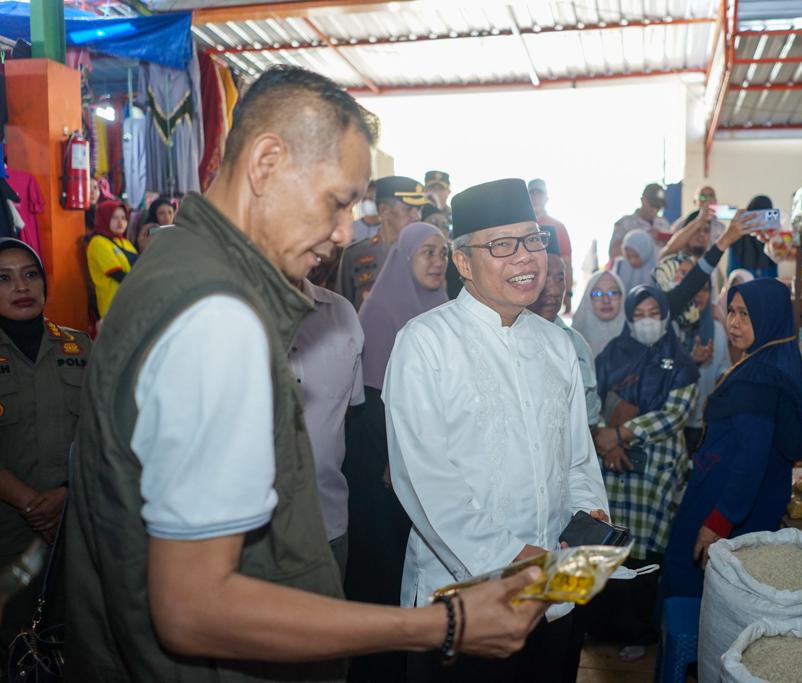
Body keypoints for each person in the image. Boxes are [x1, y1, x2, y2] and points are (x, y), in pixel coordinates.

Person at [63, 66, 546, 681]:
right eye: (338, 201)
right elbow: (194, 606)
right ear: (267, 162)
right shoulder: (217, 314)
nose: (345, 232)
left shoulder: (177, 267)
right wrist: (442, 624)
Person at [385, 178, 609, 682]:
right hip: (463, 603)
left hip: (554, 596)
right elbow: (425, 484)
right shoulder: (425, 344)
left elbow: (576, 459)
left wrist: (589, 523)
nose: (527, 258)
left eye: (534, 240)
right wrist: (512, 559)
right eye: (503, 245)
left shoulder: (556, 345)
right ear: (463, 262)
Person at [662, 278, 802, 599]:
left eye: (746, 314)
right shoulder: (765, 361)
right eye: (731, 311)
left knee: (693, 583)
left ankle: (691, 649)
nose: (734, 322)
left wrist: (719, 520)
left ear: (768, 316)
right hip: (741, 497)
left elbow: (751, 458)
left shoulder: (757, 380)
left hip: (729, 501)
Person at [345, 222, 449, 683]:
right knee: (385, 567)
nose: (437, 261)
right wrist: (395, 456)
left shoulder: (444, 311)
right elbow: (368, 404)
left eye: (443, 253)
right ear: (404, 258)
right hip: (382, 463)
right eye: (427, 252)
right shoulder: (380, 313)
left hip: (433, 463)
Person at [589, 285, 699, 662]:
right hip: (613, 465)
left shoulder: (681, 362)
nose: (648, 320)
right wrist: (609, 441)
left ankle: (637, 631)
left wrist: (620, 434)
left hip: (656, 470)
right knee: (607, 546)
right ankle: (601, 625)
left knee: (643, 553)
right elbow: (593, 401)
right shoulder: (611, 355)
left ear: (666, 316)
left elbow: (674, 415)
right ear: (630, 318)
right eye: (640, 313)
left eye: (655, 312)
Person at [0, 239, 90, 566]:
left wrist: (65, 493)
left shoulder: (79, 346)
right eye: (4, 278)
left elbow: (103, 431)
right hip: (9, 535)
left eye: (30, 275)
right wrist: (31, 505)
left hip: (78, 521)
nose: (21, 287)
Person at [288, 275, 365, 581]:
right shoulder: (226, 312)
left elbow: (347, 408)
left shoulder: (341, 313)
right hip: (249, 536)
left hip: (328, 523)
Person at [654, 257, 730, 454]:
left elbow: (723, 367)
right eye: (695, 288)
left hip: (704, 419)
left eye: (705, 289)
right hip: (670, 421)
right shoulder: (667, 329)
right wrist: (690, 361)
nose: (699, 294)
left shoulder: (717, 330)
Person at [526, 232, 599, 426]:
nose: (555, 290)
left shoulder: (577, 345)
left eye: (560, 278)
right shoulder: (507, 338)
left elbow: (590, 417)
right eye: (544, 277)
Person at [335, 175, 430, 310]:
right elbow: (342, 310)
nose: (417, 216)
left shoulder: (427, 254)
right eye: (409, 208)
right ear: (384, 210)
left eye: (419, 209)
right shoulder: (355, 254)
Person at [86, 200, 138, 318]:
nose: (120, 222)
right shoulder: (98, 242)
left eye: (123, 218)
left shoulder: (125, 242)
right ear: (104, 218)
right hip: (114, 307)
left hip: (131, 303)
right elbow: (118, 274)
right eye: (114, 217)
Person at [528, 178, 573, 313]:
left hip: (550, 294)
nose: (535, 197)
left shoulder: (558, 227)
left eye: (539, 194)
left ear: (546, 198)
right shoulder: (517, 226)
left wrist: (568, 293)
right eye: (532, 193)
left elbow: (567, 264)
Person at [609, 183, 671, 261]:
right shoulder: (625, 223)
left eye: (658, 207)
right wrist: (643, 238)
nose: (655, 210)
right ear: (643, 200)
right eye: (653, 205)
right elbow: (613, 253)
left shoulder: (664, 224)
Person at [572, 270, 626, 358]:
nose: (606, 300)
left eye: (613, 293)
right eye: (597, 293)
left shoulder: (637, 338)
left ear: (622, 297)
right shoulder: (572, 341)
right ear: (588, 300)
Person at [727, 195, 779, 278]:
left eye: (764, 215)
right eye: (757, 215)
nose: (760, 221)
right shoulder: (738, 238)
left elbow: (773, 276)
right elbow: (732, 274)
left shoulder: (771, 239)